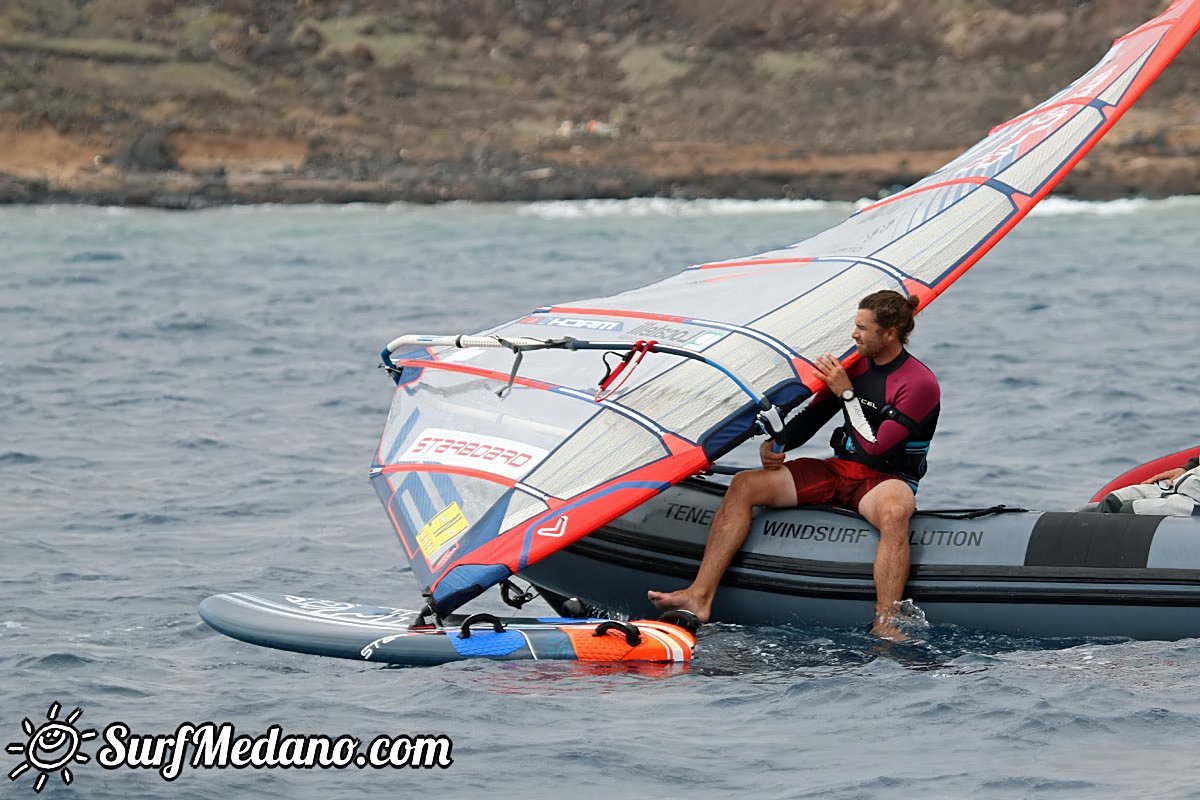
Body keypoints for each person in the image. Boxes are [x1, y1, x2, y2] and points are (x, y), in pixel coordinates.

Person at [648, 290, 940, 639]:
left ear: (889, 333)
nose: (854, 334)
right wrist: (778, 443)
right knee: (744, 485)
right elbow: (812, 418)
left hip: (884, 481)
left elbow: (874, 449)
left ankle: (887, 620)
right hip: (839, 470)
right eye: (855, 326)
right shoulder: (856, 367)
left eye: (862, 328)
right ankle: (699, 595)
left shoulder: (919, 383)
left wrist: (846, 393)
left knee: (895, 514)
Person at [1099, 454, 1200, 515]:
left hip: (1193, 500)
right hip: (1180, 484)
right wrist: (1188, 467)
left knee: (1128, 510)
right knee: (1112, 500)